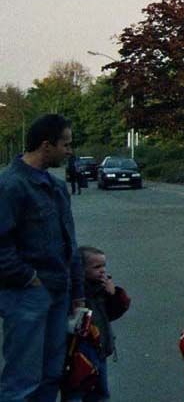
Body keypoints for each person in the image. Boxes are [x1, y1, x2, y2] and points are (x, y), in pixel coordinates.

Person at [0, 114, 85, 402]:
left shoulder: (58, 187)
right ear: (46, 146)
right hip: (26, 296)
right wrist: (28, 278)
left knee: (52, 374)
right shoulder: (10, 185)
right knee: (22, 381)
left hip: (60, 294)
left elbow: (69, 243)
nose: (70, 151)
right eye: (66, 144)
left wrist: (78, 292)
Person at [66, 246, 130, 402]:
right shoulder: (76, 292)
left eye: (103, 266)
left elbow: (113, 313)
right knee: (76, 391)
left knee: (100, 393)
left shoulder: (102, 289)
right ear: (80, 269)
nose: (102, 271)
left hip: (100, 349)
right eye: (96, 267)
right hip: (79, 353)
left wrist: (114, 294)